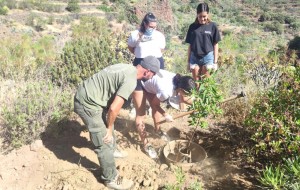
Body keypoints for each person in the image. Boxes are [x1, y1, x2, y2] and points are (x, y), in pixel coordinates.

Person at [73, 56, 162, 190]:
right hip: (87, 104)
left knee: (110, 121)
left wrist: (109, 124)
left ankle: (113, 150)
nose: (153, 77)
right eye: (153, 74)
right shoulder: (131, 80)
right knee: (104, 141)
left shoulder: (127, 68)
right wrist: (108, 129)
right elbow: (114, 109)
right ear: (147, 71)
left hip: (94, 98)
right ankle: (111, 178)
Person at [139, 69, 196, 158]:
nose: (187, 95)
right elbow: (155, 104)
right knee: (141, 116)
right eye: (187, 93)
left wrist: (199, 105)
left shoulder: (179, 81)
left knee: (156, 109)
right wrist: (165, 115)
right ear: (181, 89)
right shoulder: (166, 91)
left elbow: (184, 99)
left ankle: (157, 130)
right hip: (141, 82)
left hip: (152, 83)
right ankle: (146, 144)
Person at [127, 12, 166, 139]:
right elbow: (131, 48)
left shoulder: (159, 36)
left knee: (156, 103)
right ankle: (144, 141)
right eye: (150, 26)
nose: (153, 29)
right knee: (141, 109)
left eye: (155, 27)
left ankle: (158, 129)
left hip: (155, 71)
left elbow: (161, 50)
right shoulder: (135, 35)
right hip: (140, 70)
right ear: (144, 24)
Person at [185, 2, 221, 83]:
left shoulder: (213, 26)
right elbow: (190, 45)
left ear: (208, 14)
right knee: (196, 83)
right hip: (194, 57)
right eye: (200, 16)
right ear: (197, 15)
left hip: (208, 57)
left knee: (206, 84)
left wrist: (215, 62)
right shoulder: (192, 27)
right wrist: (188, 62)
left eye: (204, 16)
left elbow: (215, 45)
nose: (202, 19)